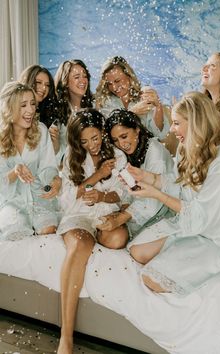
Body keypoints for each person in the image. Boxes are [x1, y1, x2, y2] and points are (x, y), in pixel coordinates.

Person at [126, 91, 220, 295]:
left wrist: (156, 195)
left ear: (195, 122)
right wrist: (146, 176)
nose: (173, 130)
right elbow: (178, 184)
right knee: (136, 251)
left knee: (151, 278)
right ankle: (178, 253)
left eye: (177, 123)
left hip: (215, 237)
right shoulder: (187, 147)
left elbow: (201, 217)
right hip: (191, 225)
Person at [57, 108, 128, 354]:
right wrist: (98, 175)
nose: (92, 146)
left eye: (96, 138)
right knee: (80, 244)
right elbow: (66, 200)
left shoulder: (118, 155)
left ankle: (103, 232)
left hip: (105, 212)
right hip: (78, 215)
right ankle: (66, 337)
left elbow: (125, 194)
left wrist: (102, 195)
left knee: (118, 238)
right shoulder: (72, 156)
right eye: (85, 141)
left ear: (103, 133)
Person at [0, 82, 61, 240]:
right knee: (16, 235)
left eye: (33, 104)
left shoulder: (40, 130)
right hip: (10, 201)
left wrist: (54, 180)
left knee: (48, 232)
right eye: (23, 105)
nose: (30, 110)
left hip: (38, 196)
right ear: (9, 108)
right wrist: (15, 172)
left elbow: (48, 167)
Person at [103, 109, 174, 238]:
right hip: (142, 209)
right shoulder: (127, 153)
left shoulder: (155, 153)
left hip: (164, 212)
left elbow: (153, 203)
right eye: (115, 140)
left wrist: (121, 218)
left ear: (137, 129)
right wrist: (124, 207)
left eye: (124, 136)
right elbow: (126, 189)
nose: (121, 144)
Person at [95, 56, 178, 155]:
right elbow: (107, 135)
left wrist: (158, 106)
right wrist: (132, 113)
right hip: (118, 154)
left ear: (129, 77)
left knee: (167, 110)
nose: (114, 87)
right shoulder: (106, 102)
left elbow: (159, 134)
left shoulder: (142, 98)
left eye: (117, 81)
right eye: (109, 84)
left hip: (143, 152)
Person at [54, 59, 94, 165]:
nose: (83, 80)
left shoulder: (95, 106)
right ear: (65, 82)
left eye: (85, 76)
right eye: (77, 77)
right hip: (67, 167)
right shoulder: (56, 113)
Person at [19, 65, 62, 151]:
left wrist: (55, 144)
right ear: (28, 81)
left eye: (47, 85)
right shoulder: (15, 114)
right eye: (38, 82)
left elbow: (50, 159)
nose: (43, 88)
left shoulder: (47, 118)